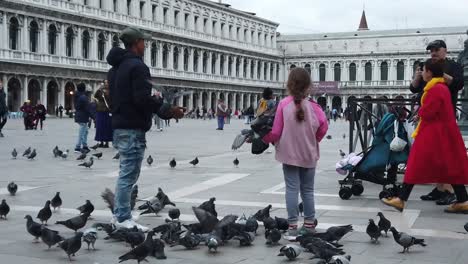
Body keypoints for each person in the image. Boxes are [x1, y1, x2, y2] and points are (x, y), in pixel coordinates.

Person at [107, 26, 184, 231]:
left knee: (126, 172)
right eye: (143, 41)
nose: (145, 45)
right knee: (129, 174)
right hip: (132, 127)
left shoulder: (114, 69)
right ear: (136, 43)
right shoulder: (137, 67)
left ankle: (120, 215)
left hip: (120, 125)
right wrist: (168, 110)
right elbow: (141, 99)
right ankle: (123, 218)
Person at [382, 59, 468, 213]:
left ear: (430, 72)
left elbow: (429, 112)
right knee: (450, 166)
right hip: (442, 132)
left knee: (415, 163)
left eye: (424, 70)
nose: (422, 73)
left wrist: (420, 111)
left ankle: (401, 199)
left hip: (434, 133)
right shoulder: (440, 87)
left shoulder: (436, 89)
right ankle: (463, 199)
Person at [262, 67, 328, 237]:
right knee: (308, 190)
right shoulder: (314, 106)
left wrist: (265, 139)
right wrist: (314, 140)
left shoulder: (283, 104)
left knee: (292, 189)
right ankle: (309, 225)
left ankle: (292, 227)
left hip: (289, 155)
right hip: (309, 154)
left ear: (289, 84)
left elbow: (275, 132)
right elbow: (323, 127)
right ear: (308, 86)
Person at [410, 39, 464, 205]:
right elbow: (414, 88)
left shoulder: (453, 66)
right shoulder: (426, 66)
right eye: (431, 50)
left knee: (444, 154)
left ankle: (450, 191)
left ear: (445, 50)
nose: (433, 52)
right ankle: (441, 189)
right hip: (429, 117)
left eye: (436, 49)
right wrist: (417, 77)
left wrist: (440, 74)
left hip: (444, 115)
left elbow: (458, 84)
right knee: (436, 155)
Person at [93, 81, 113, 148]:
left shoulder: (110, 90)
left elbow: (109, 98)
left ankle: (106, 143)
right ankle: (101, 141)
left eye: (107, 82)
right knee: (100, 127)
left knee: (107, 127)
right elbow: (95, 96)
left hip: (107, 111)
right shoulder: (100, 90)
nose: (106, 84)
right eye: (105, 82)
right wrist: (99, 89)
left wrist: (104, 93)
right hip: (100, 110)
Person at [74, 83, 92, 153]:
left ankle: (84, 145)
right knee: (82, 132)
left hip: (79, 115)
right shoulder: (83, 97)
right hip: (82, 116)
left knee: (85, 131)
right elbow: (88, 108)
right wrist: (93, 116)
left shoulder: (77, 95)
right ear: (84, 88)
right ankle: (77, 147)